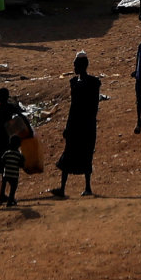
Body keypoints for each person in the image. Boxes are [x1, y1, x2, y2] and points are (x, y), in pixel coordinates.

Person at [51, 53, 100, 198]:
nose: (74, 68)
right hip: (81, 123)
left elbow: (92, 106)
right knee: (71, 154)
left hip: (83, 123)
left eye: (75, 65)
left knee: (82, 154)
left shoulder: (89, 83)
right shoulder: (87, 82)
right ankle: (70, 188)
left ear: (81, 66)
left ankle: (78, 187)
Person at [0, 136, 24, 207]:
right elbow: (21, 165)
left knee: (4, 185)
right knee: (13, 188)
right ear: (19, 145)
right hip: (14, 174)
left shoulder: (7, 153)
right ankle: (10, 200)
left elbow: (2, 161)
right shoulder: (19, 155)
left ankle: (1, 196)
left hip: (6, 173)